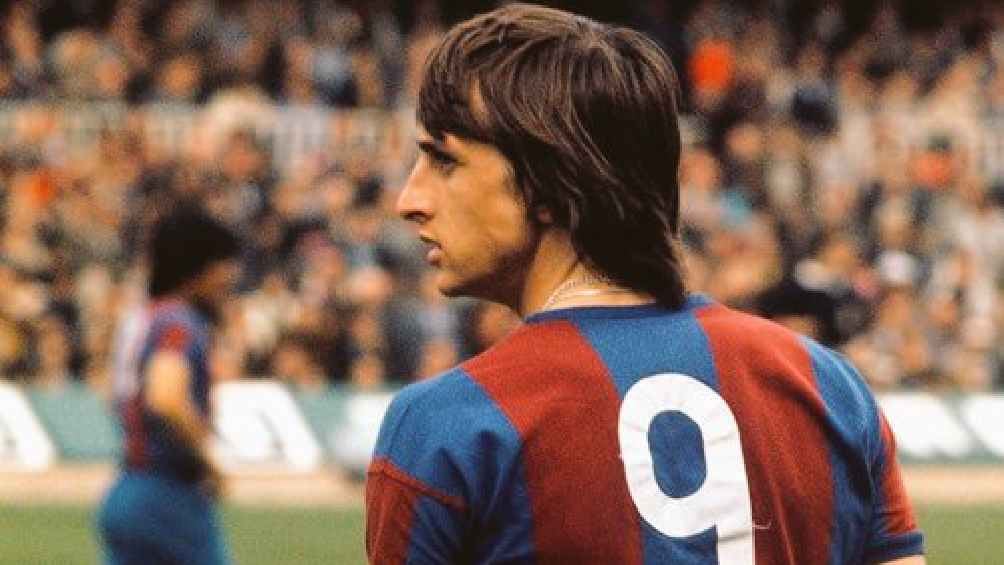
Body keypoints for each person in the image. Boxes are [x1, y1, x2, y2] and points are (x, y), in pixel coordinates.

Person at [365, 4, 925, 564]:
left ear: (545, 181)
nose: (409, 200)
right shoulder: (827, 387)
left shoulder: (447, 426)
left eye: (443, 160)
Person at [97, 205, 241, 565]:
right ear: (198, 266)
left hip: (126, 488)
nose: (230, 275)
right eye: (223, 263)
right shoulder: (179, 322)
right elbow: (165, 397)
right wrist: (208, 459)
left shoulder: (141, 318)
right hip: (167, 495)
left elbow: (112, 391)